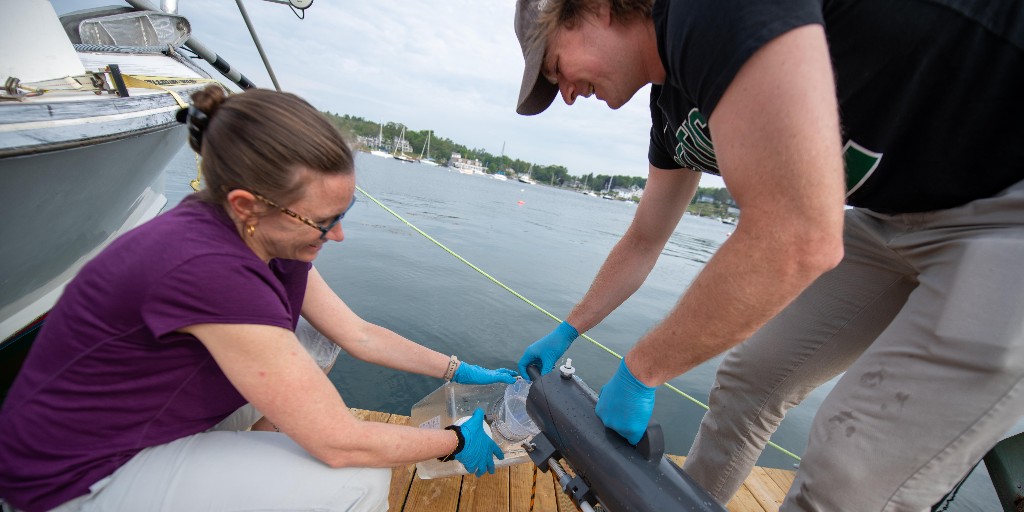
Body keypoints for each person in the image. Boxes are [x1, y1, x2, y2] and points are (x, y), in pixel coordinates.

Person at [512, 0, 1024, 510]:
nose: (567, 96)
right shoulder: (670, 104)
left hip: (1008, 206)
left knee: (848, 471)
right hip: (890, 213)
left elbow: (798, 235)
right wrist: (569, 329)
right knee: (748, 383)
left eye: (557, 69)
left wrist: (641, 369)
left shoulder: (708, 12)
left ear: (597, 7)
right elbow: (646, 237)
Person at [0, 85, 516, 512]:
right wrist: (453, 440)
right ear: (247, 205)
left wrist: (458, 369)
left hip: (142, 429)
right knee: (358, 480)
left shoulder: (259, 235)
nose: (339, 236)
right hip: (69, 479)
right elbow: (339, 442)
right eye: (324, 220)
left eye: (346, 211)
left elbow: (356, 333)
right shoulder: (204, 268)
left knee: (316, 338)